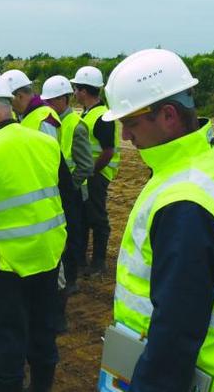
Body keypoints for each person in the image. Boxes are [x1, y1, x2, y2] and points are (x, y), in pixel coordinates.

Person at [100, 49, 214, 391]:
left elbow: (176, 330)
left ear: (168, 115)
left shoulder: (186, 201)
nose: (125, 136)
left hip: (159, 373)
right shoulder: (210, 161)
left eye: (130, 122)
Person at [0, 74, 73, 392]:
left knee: (6, 347)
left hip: (6, 268)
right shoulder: (46, 144)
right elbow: (68, 200)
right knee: (43, 338)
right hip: (48, 258)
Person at [41, 75, 94, 295]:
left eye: (52, 101)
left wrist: (69, 188)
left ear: (65, 99)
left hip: (72, 194)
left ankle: (71, 279)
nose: (48, 105)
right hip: (60, 193)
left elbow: (85, 166)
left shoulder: (75, 126)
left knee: (73, 239)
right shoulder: (52, 122)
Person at [70, 65, 120, 275]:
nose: (74, 93)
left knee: (97, 218)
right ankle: (81, 261)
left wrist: (91, 171)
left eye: (76, 89)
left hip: (97, 176)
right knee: (83, 217)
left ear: (84, 91)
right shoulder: (89, 113)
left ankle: (98, 263)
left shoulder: (102, 116)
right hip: (89, 176)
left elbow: (108, 151)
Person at [1, 69, 61, 139]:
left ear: (20, 96)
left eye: (9, 101)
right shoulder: (26, 115)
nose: (9, 107)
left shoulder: (43, 119)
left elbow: (50, 148)